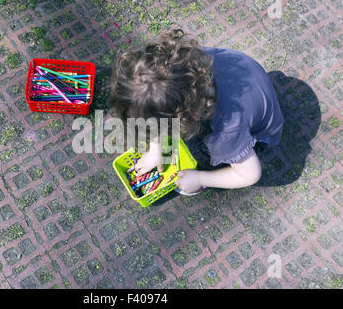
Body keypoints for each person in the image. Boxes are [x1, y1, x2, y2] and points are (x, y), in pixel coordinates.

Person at [110, 29, 284, 195]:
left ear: (189, 114)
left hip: (262, 132)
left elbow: (250, 175)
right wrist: (156, 150)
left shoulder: (226, 130)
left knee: (203, 153)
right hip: (243, 75)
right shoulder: (183, 65)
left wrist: (200, 178)